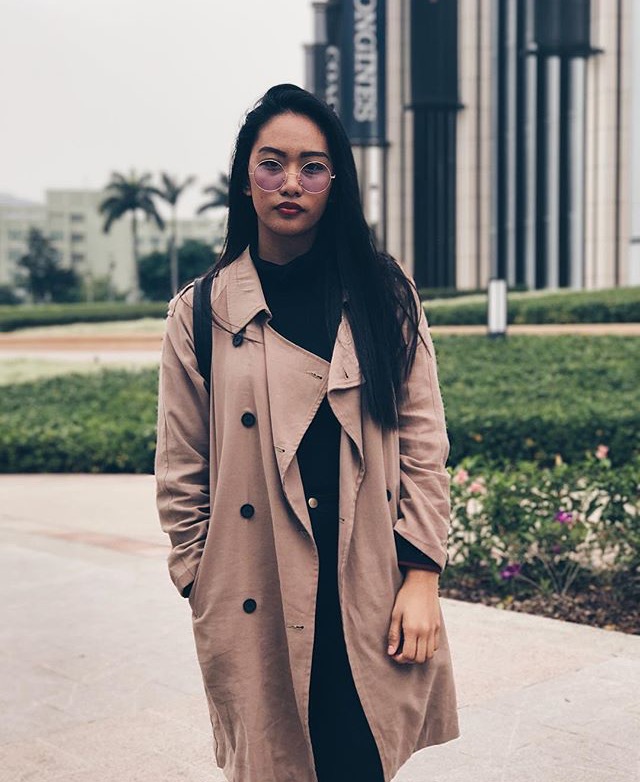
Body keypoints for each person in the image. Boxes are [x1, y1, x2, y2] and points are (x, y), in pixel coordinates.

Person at [154, 83, 460, 782]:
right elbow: (181, 469)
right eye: (272, 163)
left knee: (358, 758)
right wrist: (200, 578)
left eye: (313, 166)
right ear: (244, 178)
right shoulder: (201, 312)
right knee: (275, 763)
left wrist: (421, 578)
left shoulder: (382, 292)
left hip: (367, 586)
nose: (291, 183)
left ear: (336, 181)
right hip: (253, 587)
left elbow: (423, 444)